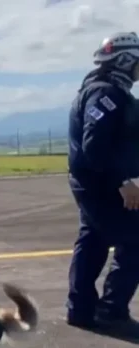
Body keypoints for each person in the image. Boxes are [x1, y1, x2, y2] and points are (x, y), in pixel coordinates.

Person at [67, 31, 139, 330]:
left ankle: (81, 310)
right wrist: (123, 181)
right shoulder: (106, 93)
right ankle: (110, 309)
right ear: (125, 60)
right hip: (103, 186)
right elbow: (94, 146)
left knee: (93, 242)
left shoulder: (106, 90)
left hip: (96, 184)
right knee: (135, 242)